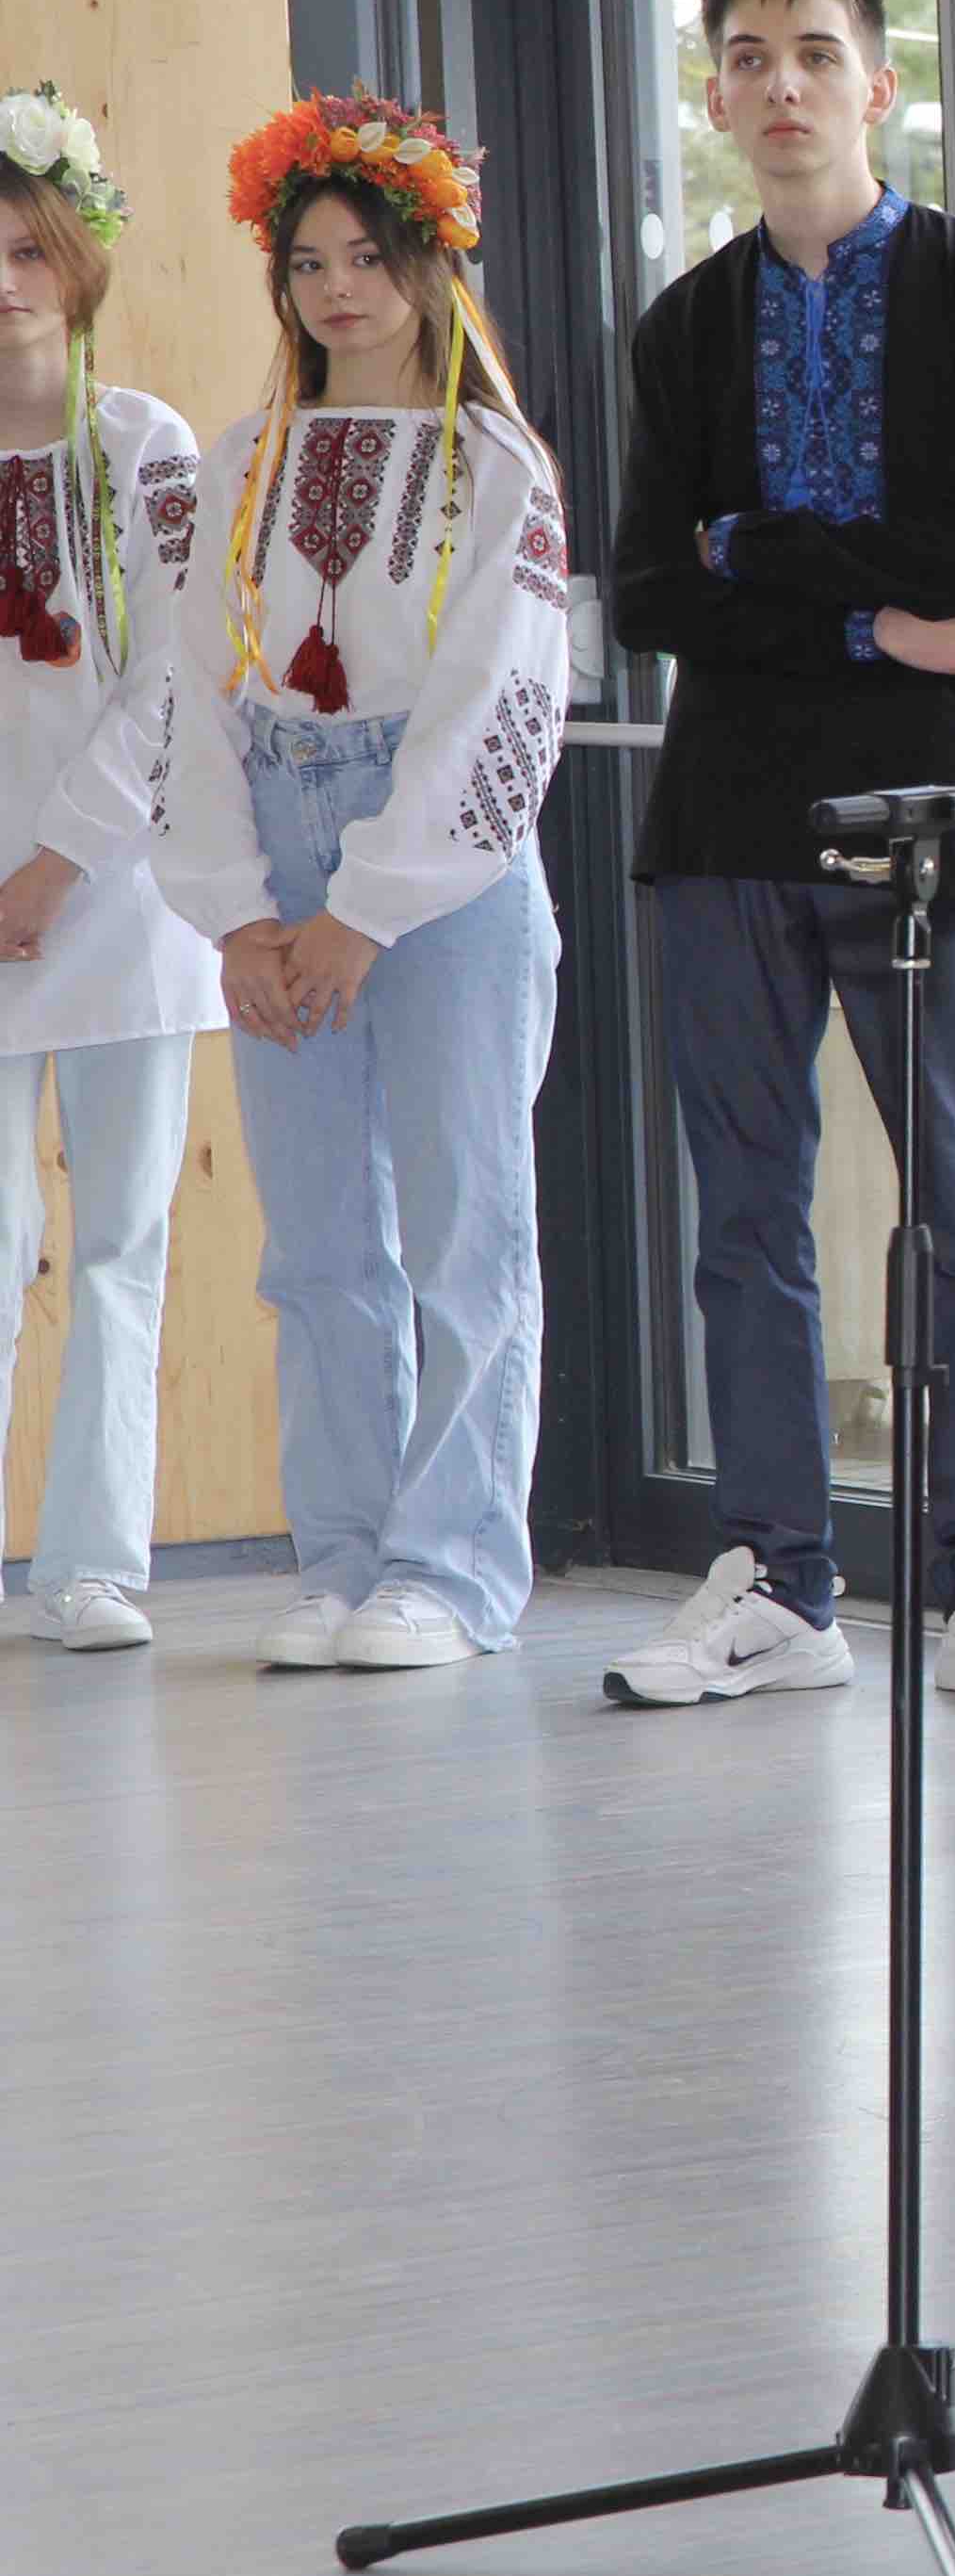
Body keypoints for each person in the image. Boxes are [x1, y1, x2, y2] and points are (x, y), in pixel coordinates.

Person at [601, 0, 955, 1715]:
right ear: (715, 94)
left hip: (922, 811)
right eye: (747, 54)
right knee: (747, 1214)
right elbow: (652, 586)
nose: (781, 82)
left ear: (878, 83)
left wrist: (760, 550)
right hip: (722, 815)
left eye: (815, 50)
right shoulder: (682, 324)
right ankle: (781, 1582)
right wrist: (866, 618)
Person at [159, 91, 565, 1673]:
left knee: (469, 1228)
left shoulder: (495, 467)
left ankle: (453, 1568)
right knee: (320, 1240)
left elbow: (496, 706)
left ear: (428, 269)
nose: (338, 289)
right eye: (309, 261)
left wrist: (365, 902)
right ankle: (340, 1552)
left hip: (439, 866)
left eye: (369, 257)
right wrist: (236, 908)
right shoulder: (244, 458)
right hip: (274, 839)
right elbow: (198, 694)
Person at [0, 85, 222, 1654]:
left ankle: (92, 1561)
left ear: (80, 264)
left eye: (29, 247)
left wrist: (59, 860)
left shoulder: (144, 444)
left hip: (126, 897)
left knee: (127, 1233)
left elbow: (172, 672)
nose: (5, 280)